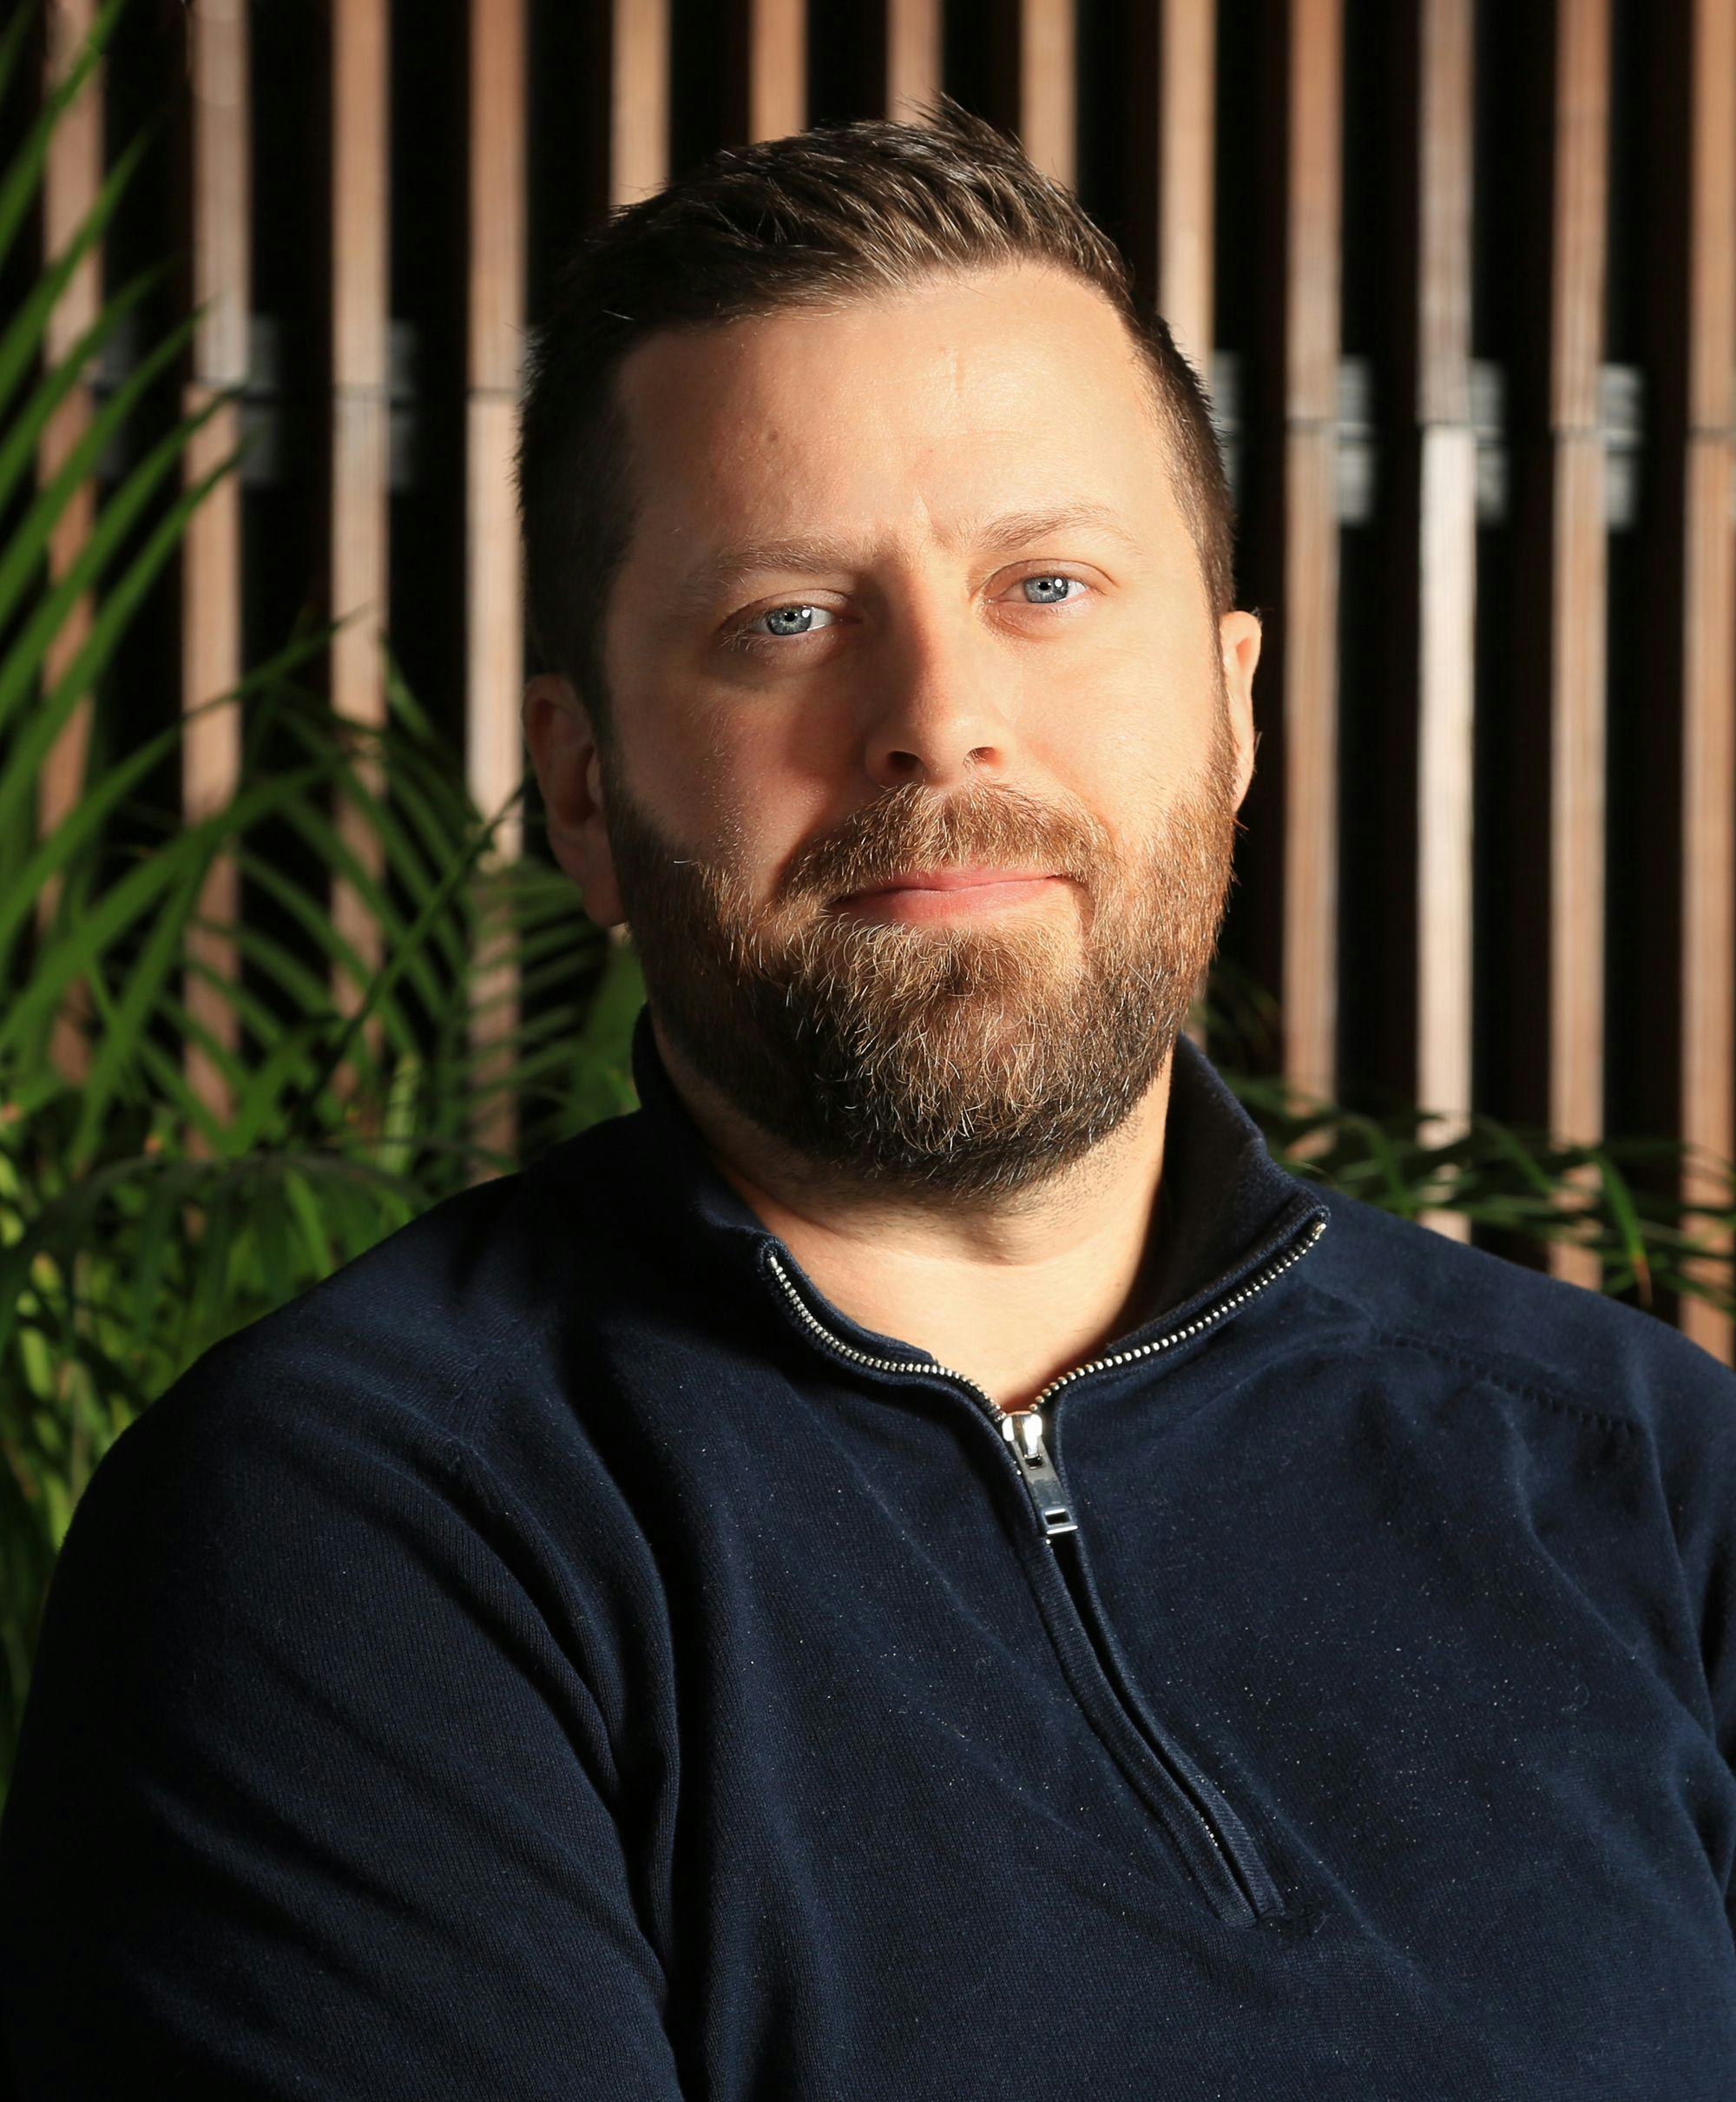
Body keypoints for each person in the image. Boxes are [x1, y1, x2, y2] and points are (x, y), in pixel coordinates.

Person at [3, 101, 1734, 2102]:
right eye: (787, 619)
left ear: (1237, 704)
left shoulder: (1638, 1472)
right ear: (582, 786)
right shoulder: (356, 1533)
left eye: (1050, 585)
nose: (935, 715)